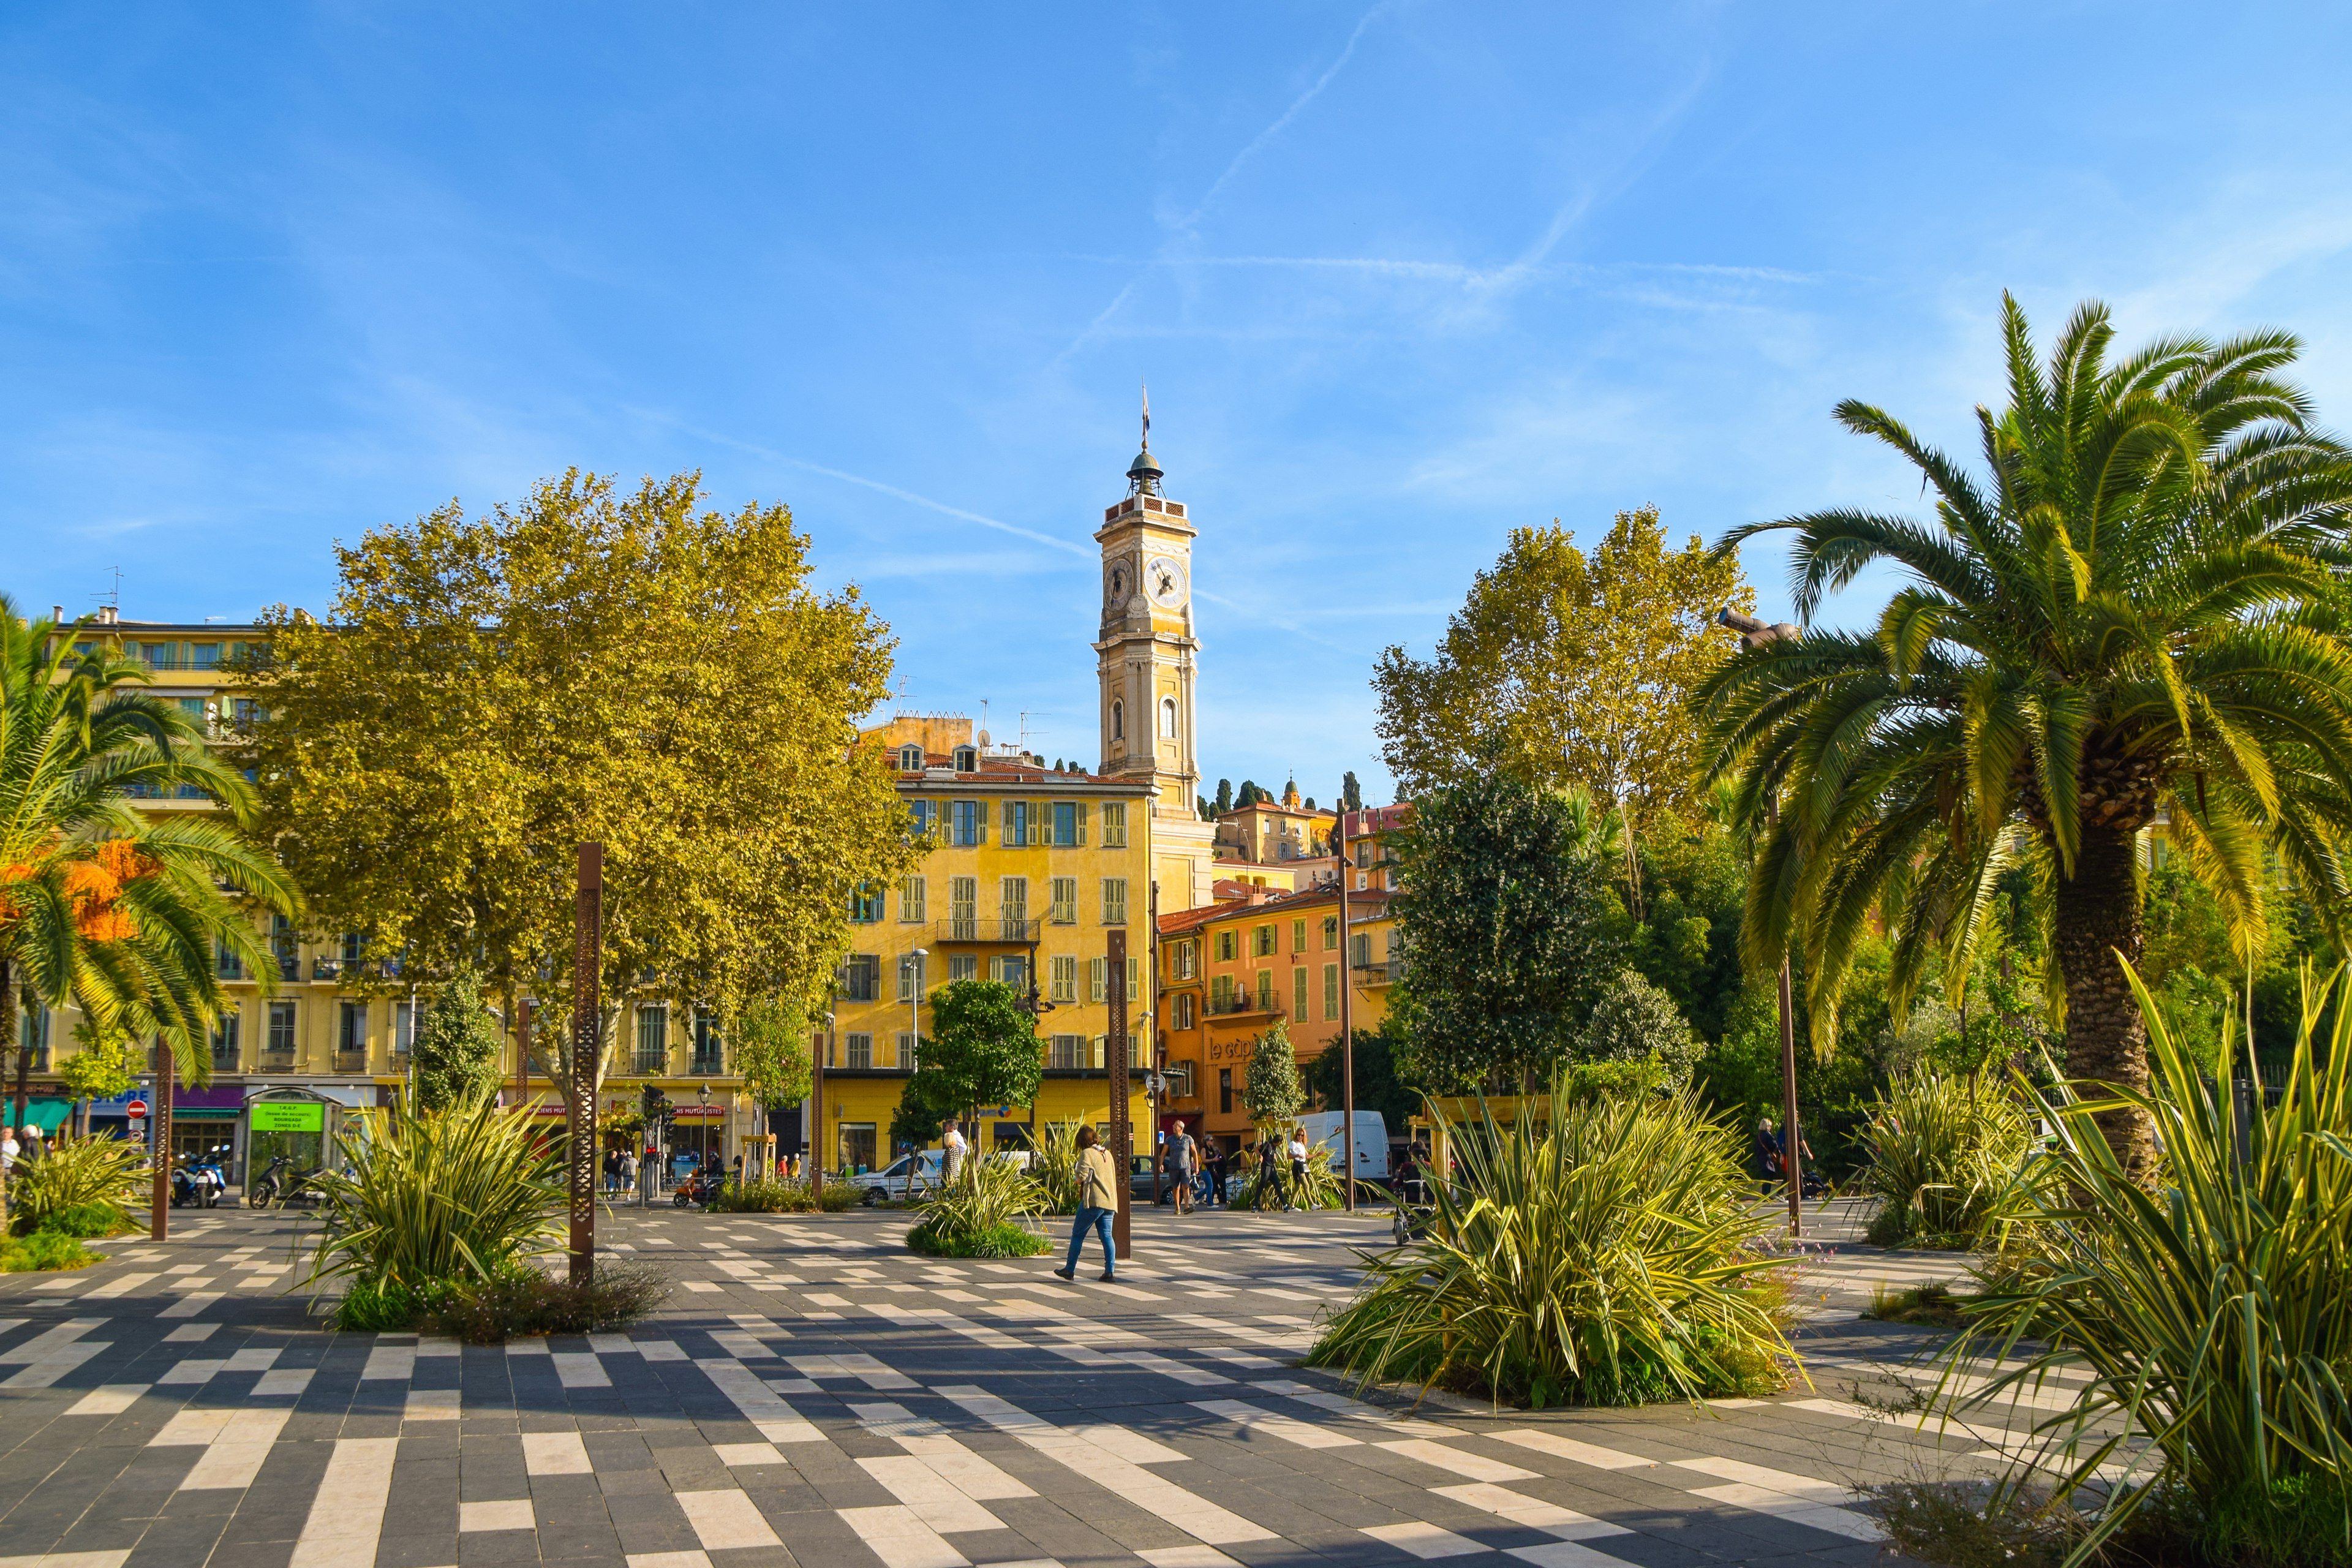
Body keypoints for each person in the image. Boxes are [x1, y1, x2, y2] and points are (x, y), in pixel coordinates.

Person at [1054, 1125, 1120, 1282]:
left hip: (1094, 1202)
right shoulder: (1108, 1154)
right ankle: (1109, 1271)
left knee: (1078, 1234)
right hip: (1110, 1202)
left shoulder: (1087, 1153)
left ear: (1082, 1141)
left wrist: (1075, 1178)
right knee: (1107, 1236)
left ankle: (1069, 1269)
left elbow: (1081, 1177)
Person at [1167, 1120, 1197, 1216]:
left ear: (1181, 1128)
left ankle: (1187, 1207)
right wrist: (1161, 1164)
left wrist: (1196, 1166)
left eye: (1175, 1126)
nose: (1173, 1127)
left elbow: (1194, 1152)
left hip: (1185, 1167)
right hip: (1173, 1167)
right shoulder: (1170, 1139)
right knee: (1176, 1188)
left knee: (1186, 1186)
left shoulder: (1188, 1139)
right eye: (1174, 1125)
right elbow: (1164, 1152)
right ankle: (1177, 1208)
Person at [1254, 1133, 1286, 1212]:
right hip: (1266, 1168)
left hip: (1272, 1168)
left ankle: (1285, 1205)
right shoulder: (1267, 1145)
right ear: (1278, 1142)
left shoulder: (1274, 1147)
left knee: (1278, 1186)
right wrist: (1260, 1156)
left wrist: (1274, 1156)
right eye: (1281, 1143)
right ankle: (1255, 1206)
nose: (1281, 1144)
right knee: (1262, 1186)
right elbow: (1256, 1149)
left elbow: (1271, 1153)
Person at [1287, 1126, 1310, 1211]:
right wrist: (1297, 1155)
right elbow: (1288, 1156)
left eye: (1302, 1135)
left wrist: (1317, 1155)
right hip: (1297, 1165)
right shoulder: (1293, 1143)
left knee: (1298, 1186)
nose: (1300, 1137)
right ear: (1296, 1135)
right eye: (1299, 1135)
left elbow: (1307, 1156)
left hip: (1302, 1164)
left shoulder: (1302, 1145)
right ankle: (1312, 1204)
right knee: (1306, 1185)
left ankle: (1291, 1205)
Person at [941, 1118, 967, 1186]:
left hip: (951, 1174)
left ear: (952, 1127)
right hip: (954, 1172)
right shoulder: (955, 1136)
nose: (946, 1128)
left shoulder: (954, 1136)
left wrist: (958, 1156)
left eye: (947, 1126)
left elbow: (965, 1148)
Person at [1754, 1117, 1781, 1181]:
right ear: (1767, 1126)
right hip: (1767, 1160)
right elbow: (1774, 1146)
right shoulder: (1768, 1135)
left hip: (1760, 1159)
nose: (1771, 1128)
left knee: (1765, 1180)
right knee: (1768, 1181)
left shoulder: (1759, 1136)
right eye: (1770, 1126)